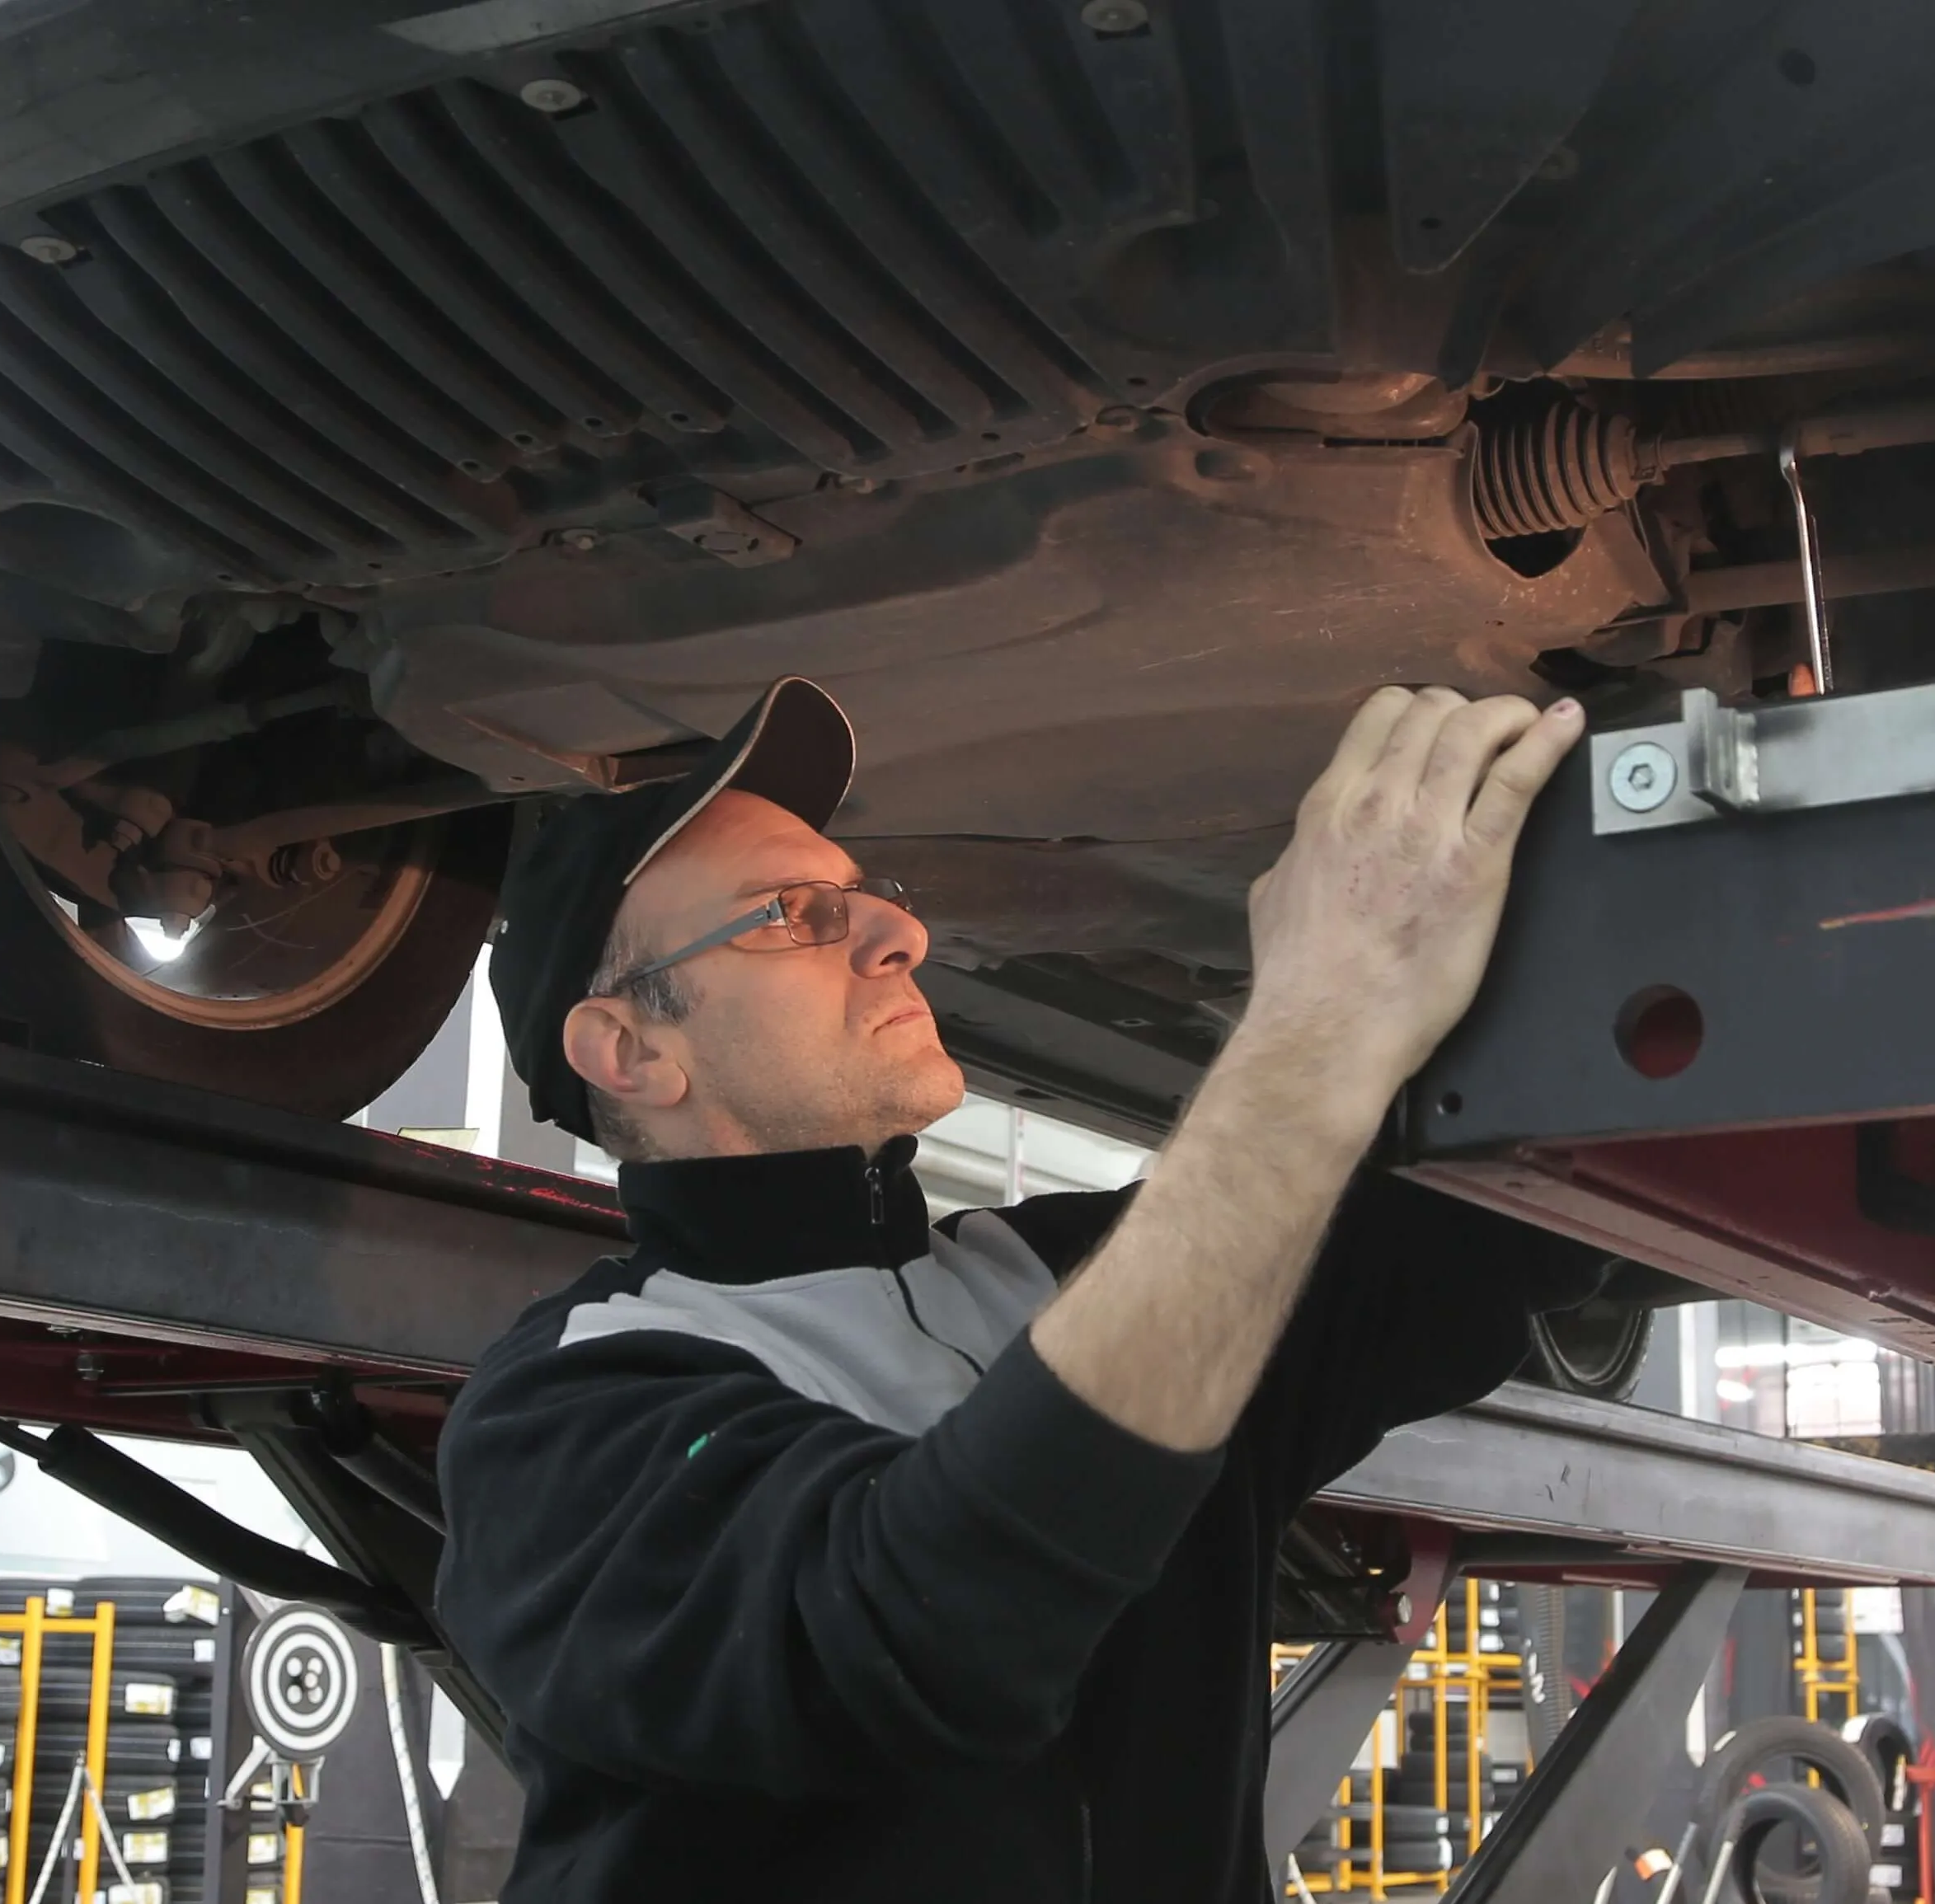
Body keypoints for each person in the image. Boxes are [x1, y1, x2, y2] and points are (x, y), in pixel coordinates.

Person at [430, 677, 1612, 1901]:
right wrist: (1313, 1025)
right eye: (792, 912)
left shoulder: (1053, 1274)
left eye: (866, 899)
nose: (898, 936)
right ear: (629, 1049)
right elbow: (918, 1633)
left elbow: (1494, 1228)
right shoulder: (564, 1415)